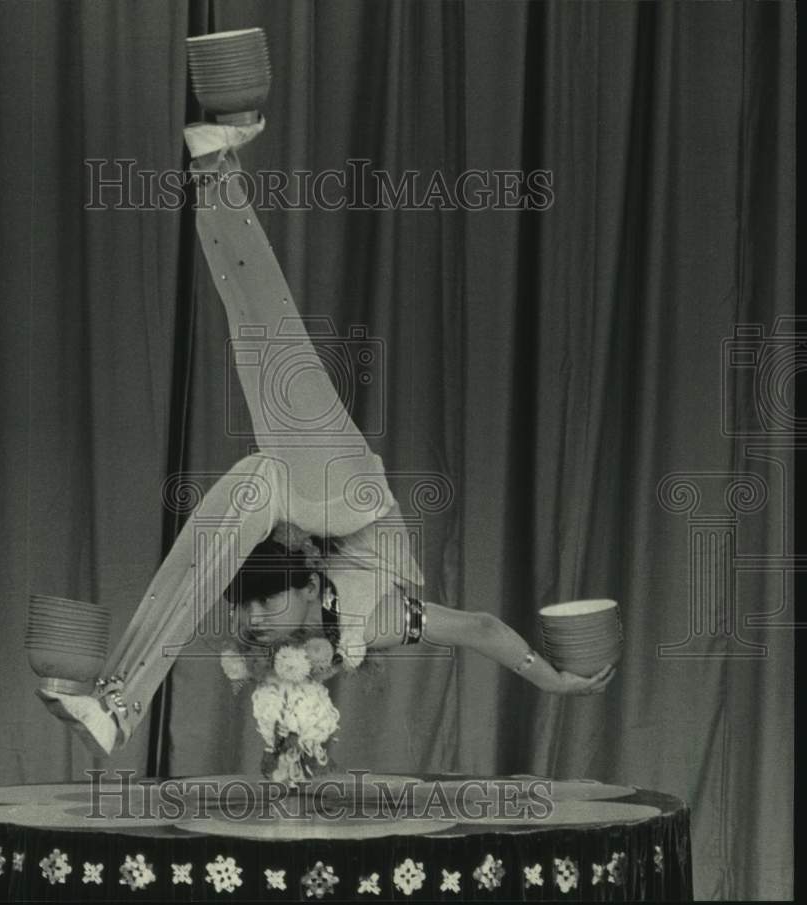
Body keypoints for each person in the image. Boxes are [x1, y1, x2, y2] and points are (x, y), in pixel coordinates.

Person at [38, 119, 615, 757]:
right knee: (272, 343)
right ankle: (117, 703)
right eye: (259, 602)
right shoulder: (376, 622)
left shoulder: (290, 640)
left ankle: (116, 701)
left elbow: (232, 596)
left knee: (255, 355)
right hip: (343, 488)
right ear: (311, 584)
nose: (254, 618)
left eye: (256, 607)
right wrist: (553, 681)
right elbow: (479, 627)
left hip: (287, 495)